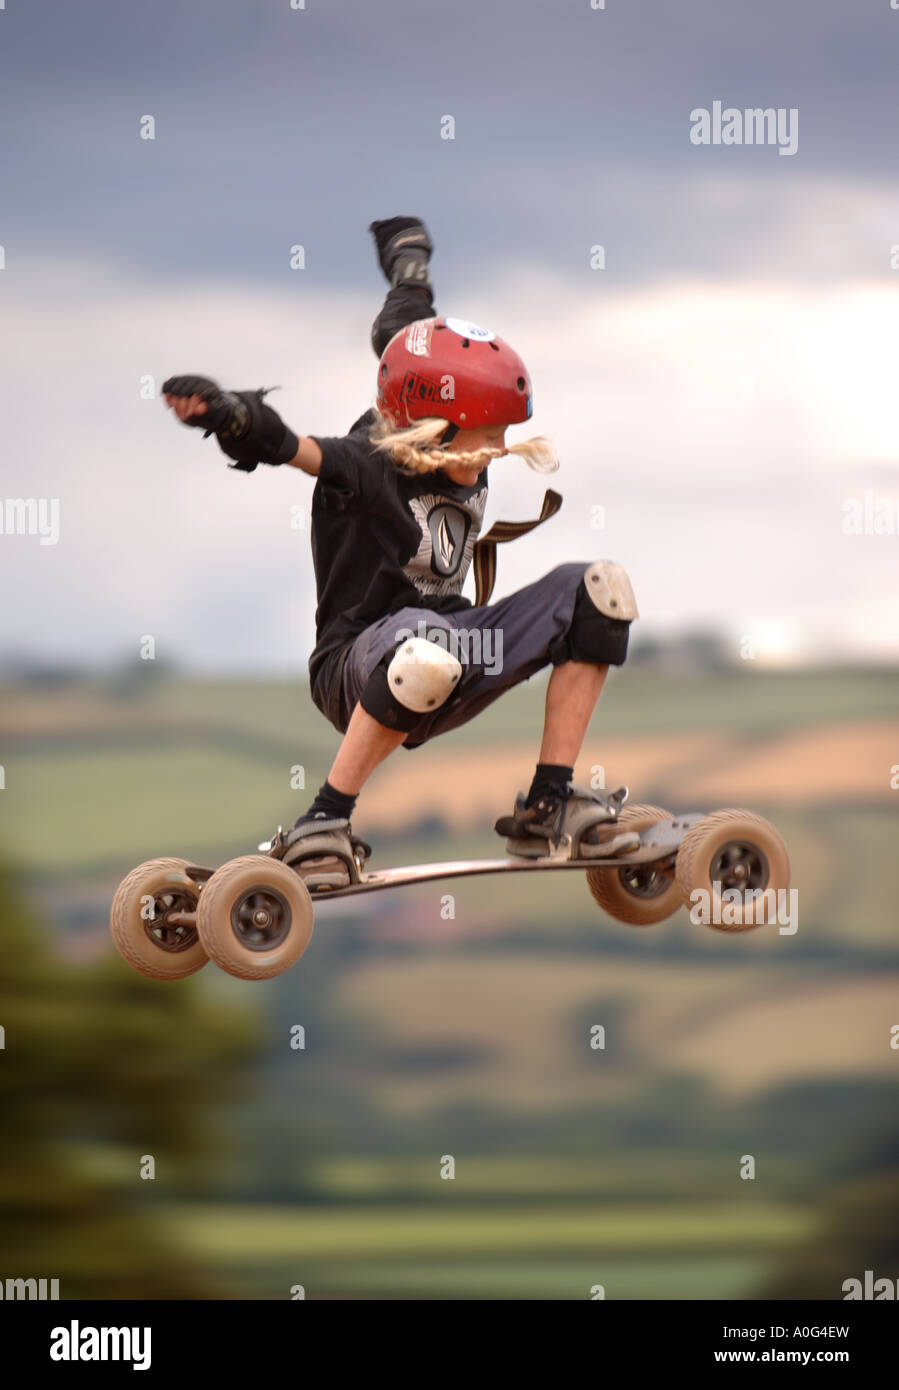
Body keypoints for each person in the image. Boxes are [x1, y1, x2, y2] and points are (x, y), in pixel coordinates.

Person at [162, 217, 640, 888]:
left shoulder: (429, 396)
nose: (493, 451)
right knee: (425, 644)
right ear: (431, 429)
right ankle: (323, 822)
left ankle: (548, 806)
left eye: (502, 435)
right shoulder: (365, 466)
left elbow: (407, 332)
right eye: (482, 437)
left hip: (456, 648)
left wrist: (407, 258)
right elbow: (291, 448)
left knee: (598, 590)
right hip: (356, 668)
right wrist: (228, 416)